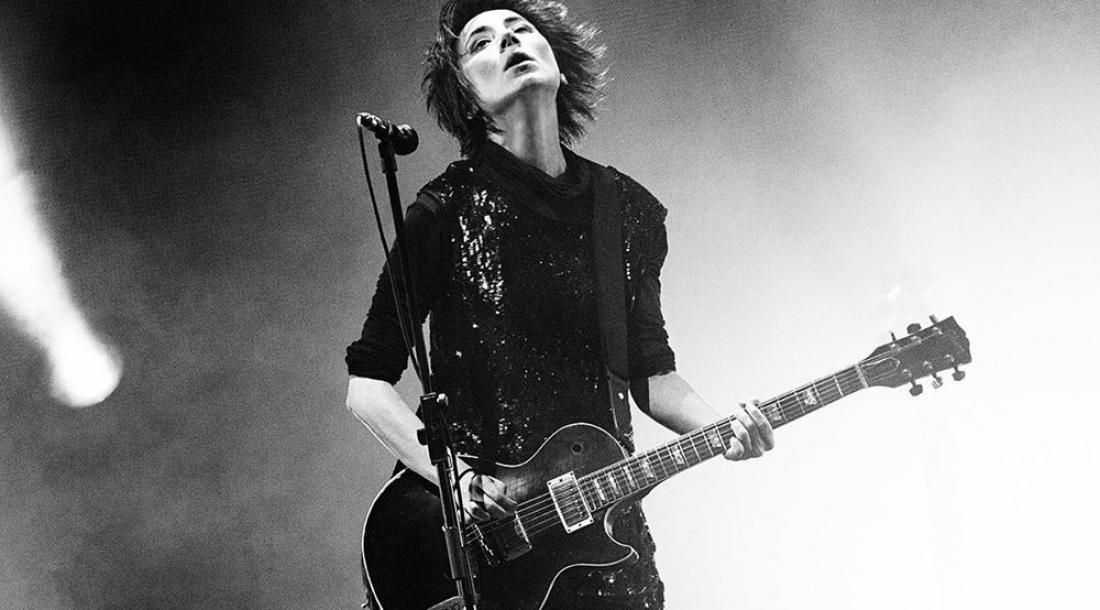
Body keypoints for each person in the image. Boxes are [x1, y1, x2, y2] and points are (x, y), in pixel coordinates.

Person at [345, 1, 775, 608]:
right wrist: (457, 482)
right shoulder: (444, 210)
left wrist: (721, 430)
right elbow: (366, 385)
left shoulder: (626, 210)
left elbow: (650, 372)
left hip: (604, 537)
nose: (509, 41)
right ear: (467, 96)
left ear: (560, 66)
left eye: (521, 30)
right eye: (482, 42)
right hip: (480, 537)